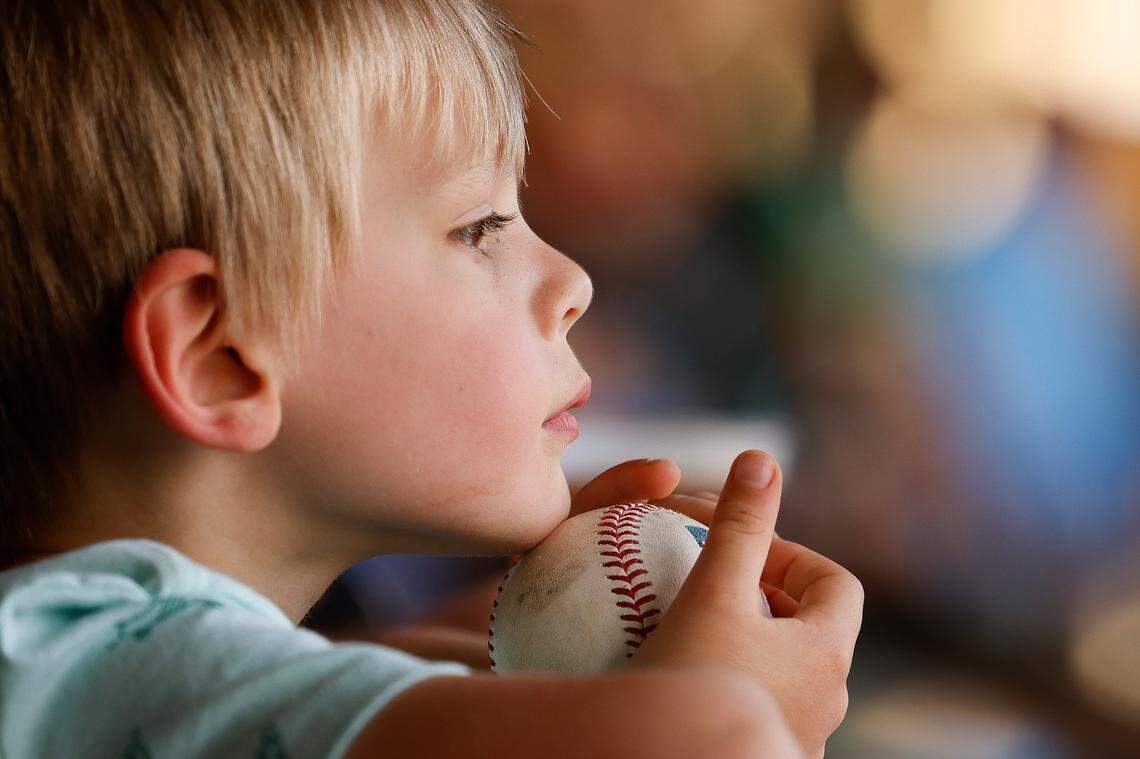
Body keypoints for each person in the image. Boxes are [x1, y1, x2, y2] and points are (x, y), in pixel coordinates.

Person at [0, 1, 863, 756]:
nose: (575, 283)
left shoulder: (70, 662)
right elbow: (716, 743)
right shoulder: (103, 665)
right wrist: (734, 702)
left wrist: (458, 653)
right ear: (219, 355)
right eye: (479, 227)